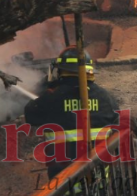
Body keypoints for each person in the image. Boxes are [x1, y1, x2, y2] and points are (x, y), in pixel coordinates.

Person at [24, 45, 121, 180]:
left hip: (63, 182)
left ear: (60, 72)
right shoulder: (106, 98)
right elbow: (118, 125)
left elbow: (30, 115)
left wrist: (45, 87)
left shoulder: (51, 99)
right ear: (90, 71)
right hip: (98, 181)